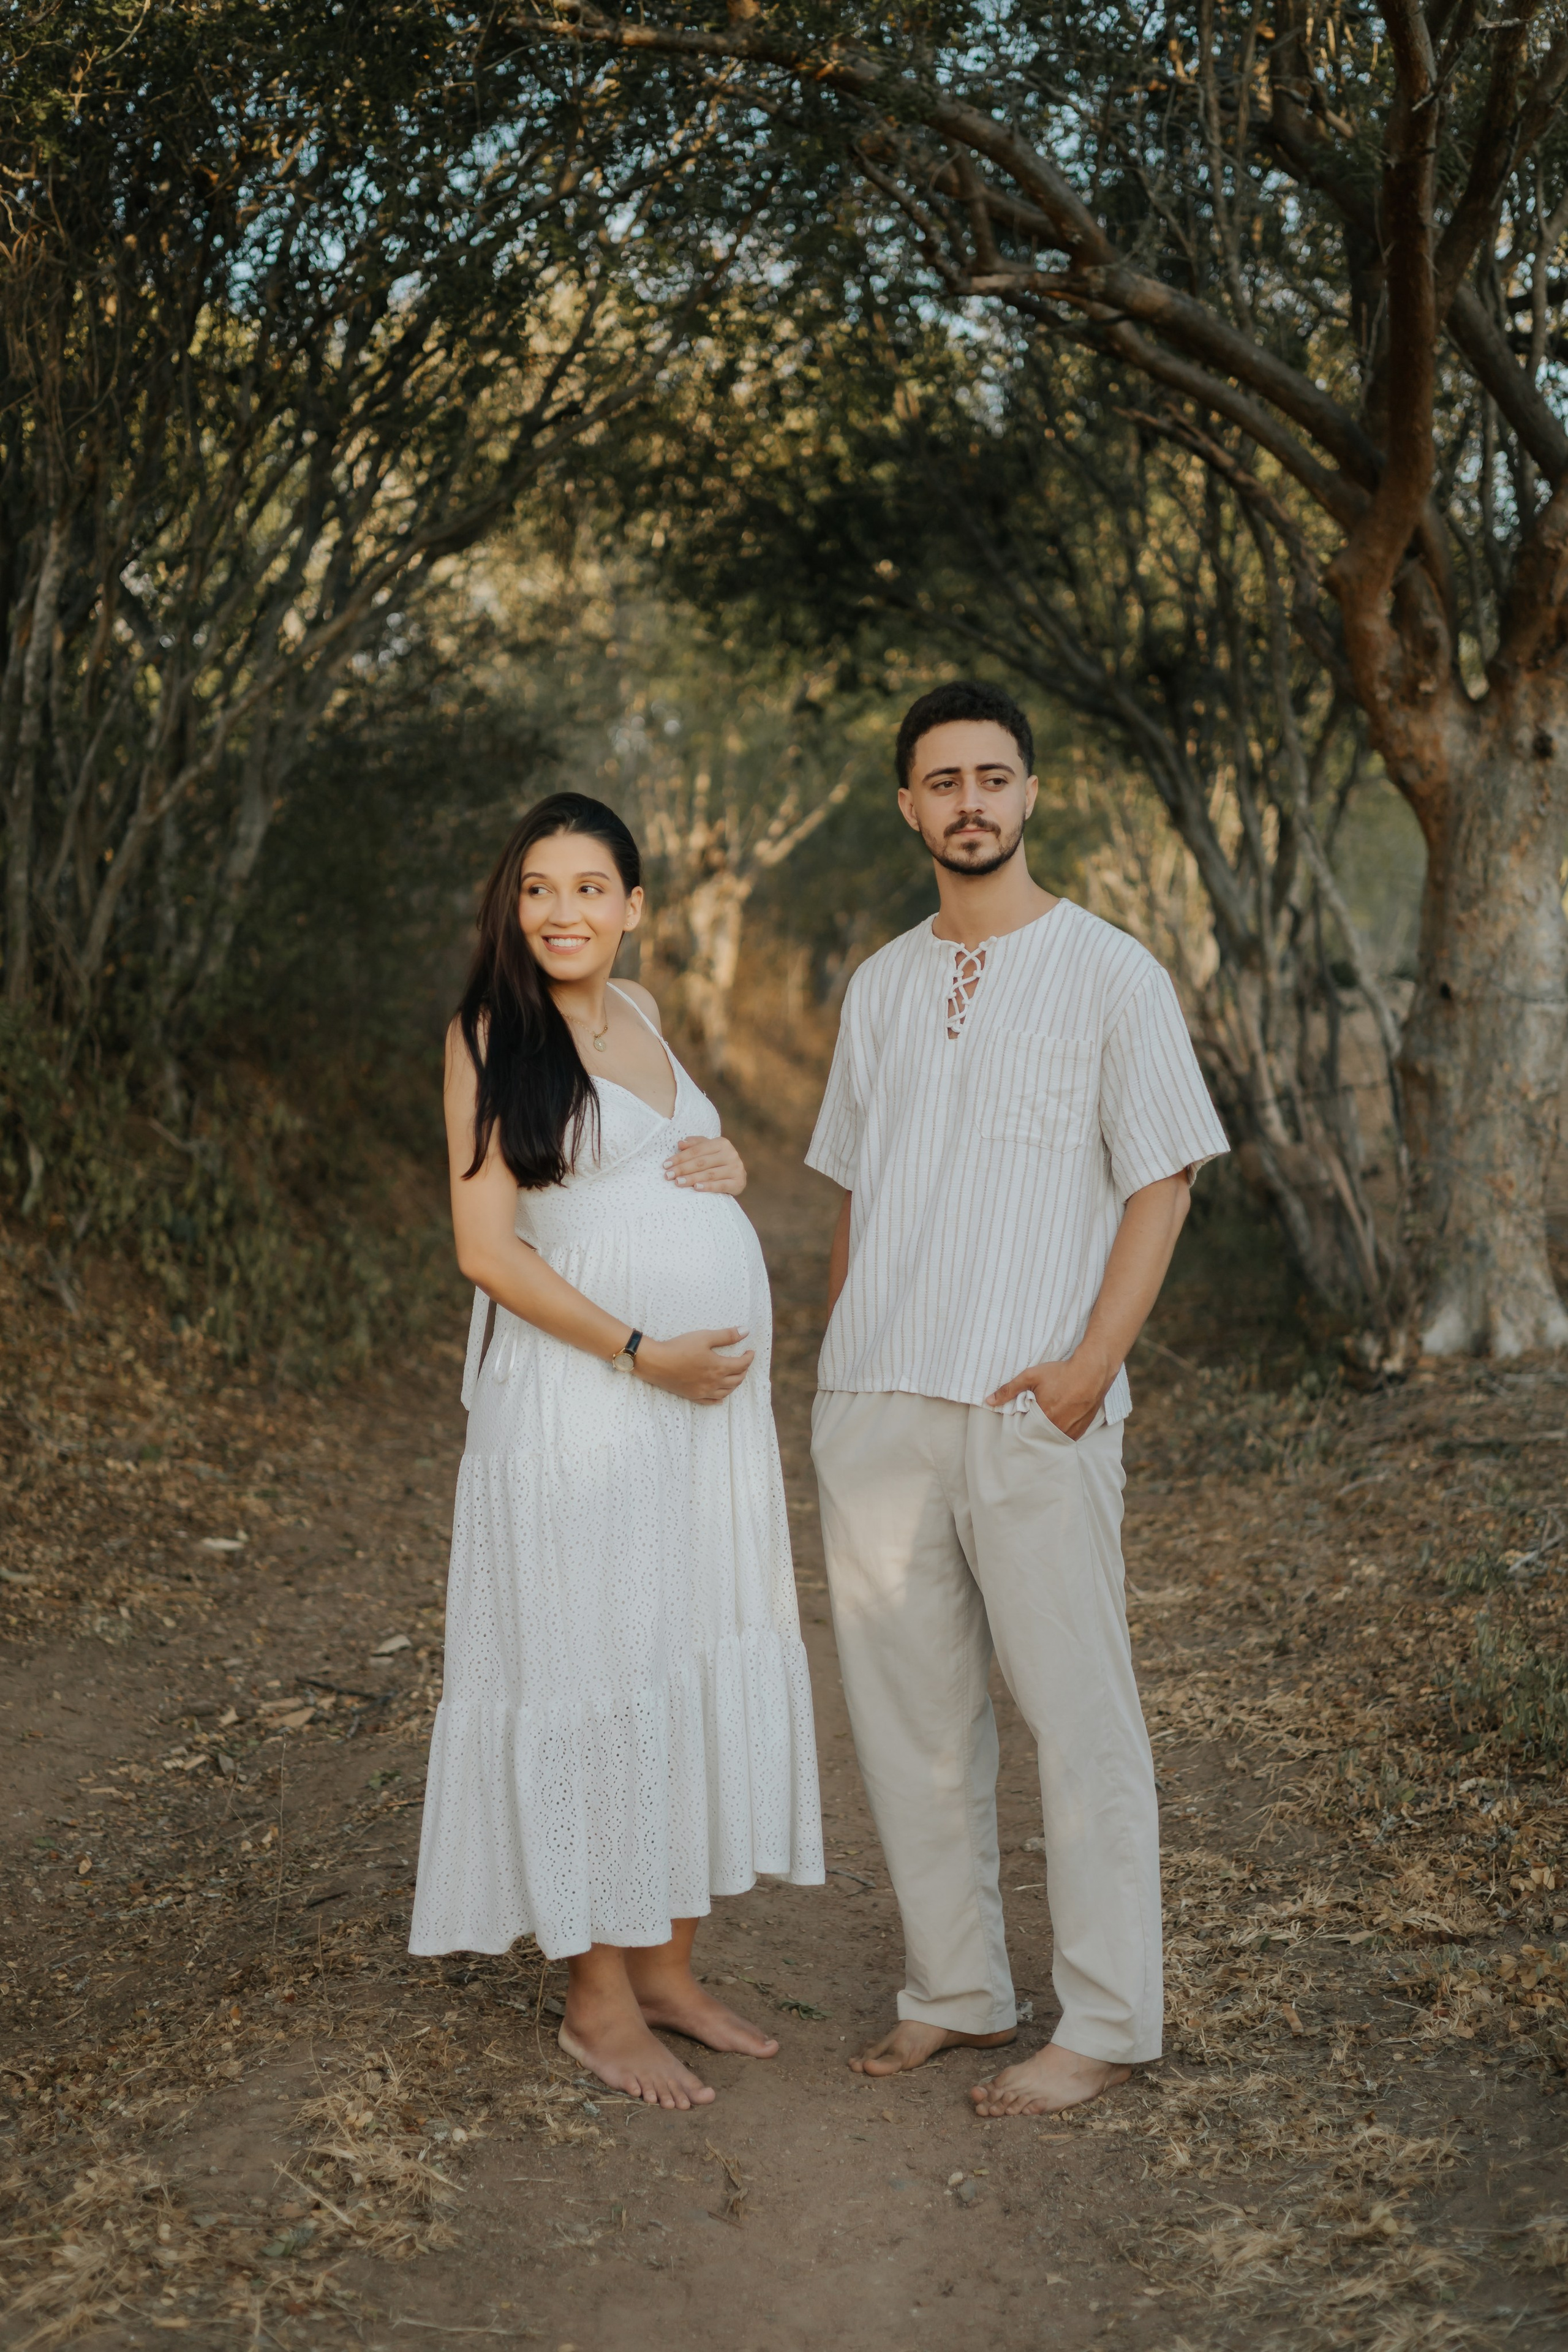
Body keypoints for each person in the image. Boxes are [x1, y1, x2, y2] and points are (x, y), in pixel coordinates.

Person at [807, 682, 1228, 2117]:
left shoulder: (1110, 972)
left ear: (1029, 794)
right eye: (942, 781)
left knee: (1075, 1715)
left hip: (1031, 1400)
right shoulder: (876, 984)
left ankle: (1104, 2019)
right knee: (909, 1719)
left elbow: (1159, 1175)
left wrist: (1088, 1368)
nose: (969, 802)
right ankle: (957, 1990)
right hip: (879, 1401)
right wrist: (839, 1359)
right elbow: (859, 1194)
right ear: (909, 806)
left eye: (992, 776)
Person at [410, 791, 823, 2110]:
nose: (562, 913)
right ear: (510, 905)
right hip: (589, 1403)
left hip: (704, 1428)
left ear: (633, 904)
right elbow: (489, 1251)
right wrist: (642, 1350)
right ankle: (596, 2003)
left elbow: (653, 1158)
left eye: (589, 888)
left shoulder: (640, 1009)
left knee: (685, 1652)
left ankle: (665, 1970)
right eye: (538, 889)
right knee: (600, 1665)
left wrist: (728, 1164)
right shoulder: (487, 1036)